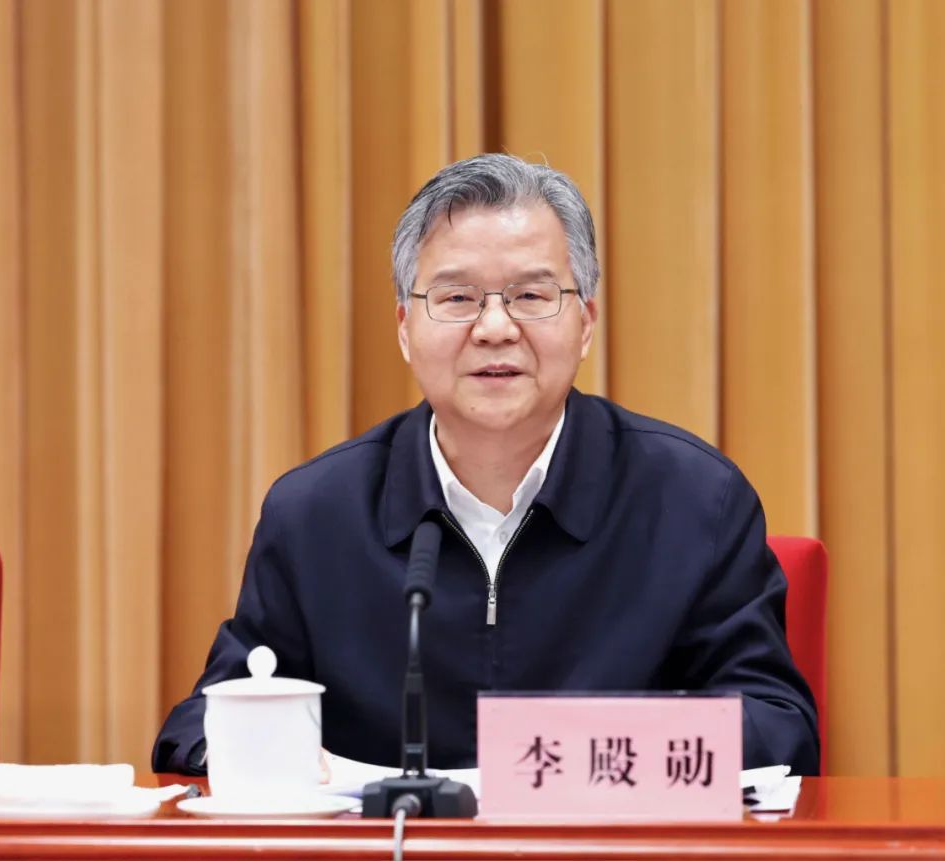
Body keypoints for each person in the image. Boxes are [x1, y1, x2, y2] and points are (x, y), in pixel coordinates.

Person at [153, 154, 819, 776]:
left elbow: (779, 727)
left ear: (585, 322)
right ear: (405, 328)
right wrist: (278, 757)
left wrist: (571, 757)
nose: (495, 328)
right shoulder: (315, 515)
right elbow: (196, 727)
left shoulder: (695, 500)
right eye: (457, 299)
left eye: (531, 296)